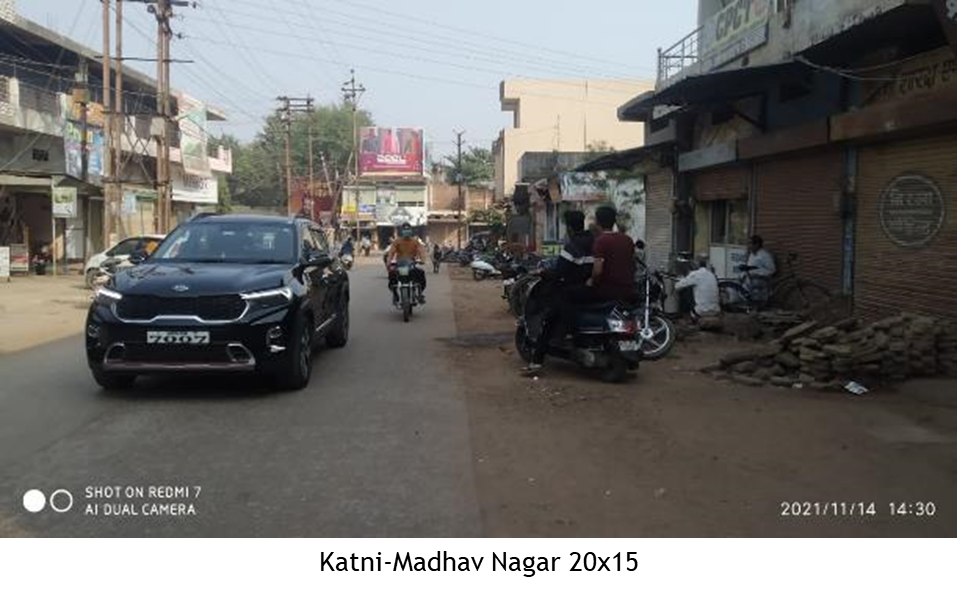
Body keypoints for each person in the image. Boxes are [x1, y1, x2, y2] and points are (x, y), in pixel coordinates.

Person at [522, 210, 596, 374]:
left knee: (548, 322)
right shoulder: (594, 242)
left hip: (571, 292)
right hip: (591, 291)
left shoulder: (572, 246)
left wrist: (542, 273)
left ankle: (536, 362)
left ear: (569, 228)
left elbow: (559, 272)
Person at [589, 206, 636, 303]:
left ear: (597, 222)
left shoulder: (601, 241)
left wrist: (591, 281)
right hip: (628, 290)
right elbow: (632, 264)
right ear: (614, 221)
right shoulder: (627, 239)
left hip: (608, 292)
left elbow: (597, 271)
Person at [384, 222, 427, 304]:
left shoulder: (415, 242)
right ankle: (395, 294)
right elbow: (391, 252)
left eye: (408, 229)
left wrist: (423, 259)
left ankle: (420, 293)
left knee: (421, 274)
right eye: (404, 229)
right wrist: (389, 262)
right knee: (392, 275)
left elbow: (421, 251)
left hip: (411, 266)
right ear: (402, 231)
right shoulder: (397, 242)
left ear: (411, 231)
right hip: (400, 265)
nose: (406, 231)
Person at [675, 258, 721, 322]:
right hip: (716, 311)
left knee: (685, 290)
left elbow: (677, 286)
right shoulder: (711, 274)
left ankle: (686, 317)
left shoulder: (695, 274)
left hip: (701, 312)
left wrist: (683, 278)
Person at [742, 235, 776, 301]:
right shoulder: (751, 254)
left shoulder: (764, 255)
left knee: (749, 287)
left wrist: (758, 272)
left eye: (751, 244)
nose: (749, 246)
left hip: (760, 279)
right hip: (749, 277)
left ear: (757, 244)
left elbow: (772, 270)